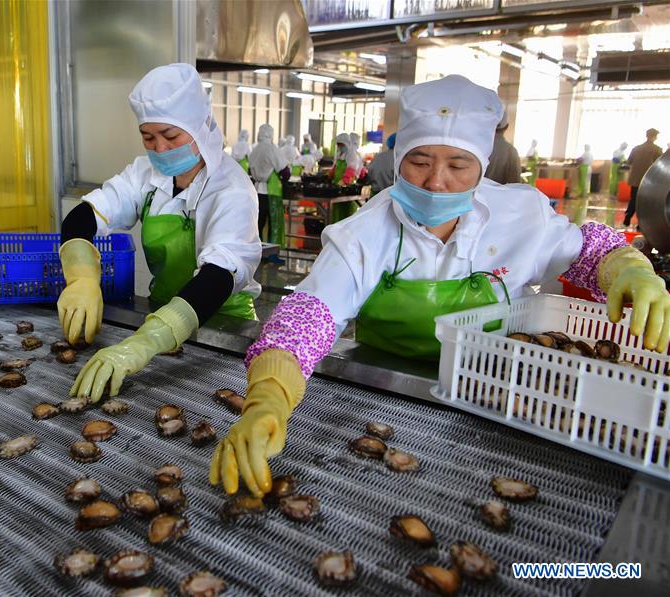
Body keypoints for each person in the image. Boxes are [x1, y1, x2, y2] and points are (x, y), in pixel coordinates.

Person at [209, 74, 670, 497]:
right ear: (399, 157)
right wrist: (269, 395)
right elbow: (310, 313)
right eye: (420, 161)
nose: (436, 181)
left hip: (494, 405)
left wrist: (628, 267)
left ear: (483, 166)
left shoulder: (519, 216)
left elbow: (588, 252)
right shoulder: (367, 231)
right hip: (382, 400)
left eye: (458, 165)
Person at [58, 63, 262, 402]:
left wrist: (143, 343)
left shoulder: (232, 189)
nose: (160, 149)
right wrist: (81, 276)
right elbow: (85, 214)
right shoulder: (145, 173)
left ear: (199, 127)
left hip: (222, 326)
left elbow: (218, 277)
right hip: (160, 315)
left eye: (171, 135)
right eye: (148, 137)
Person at [249, 123, 290, 260]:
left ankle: (258, 251)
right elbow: (285, 170)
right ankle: (272, 253)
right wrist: (284, 180)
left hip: (256, 192)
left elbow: (250, 170)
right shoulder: (273, 149)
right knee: (274, 223)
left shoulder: (254, 150)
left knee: (258, 223)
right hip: (271, 192)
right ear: (271, 134)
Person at [623, 128, 662, 227]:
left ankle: (628, 217)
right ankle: (641, 223)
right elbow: (660, 165)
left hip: (635, 180)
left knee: (633, 199)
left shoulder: (636, 148)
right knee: (645, 202)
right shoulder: (657, 149)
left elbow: (629, 162)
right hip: (648, 181)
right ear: (655, 137)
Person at [330, 132, 364, 222]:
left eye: (341, 145)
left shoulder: (352, 155)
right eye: (338, 145)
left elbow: (351, 171)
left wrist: (344, 181)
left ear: (347, 144)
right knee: (336, 214)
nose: (340, 147)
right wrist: (329, 175)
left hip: (348, 188)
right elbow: (335, 167)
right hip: (337, 187)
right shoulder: (339, 154)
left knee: (347, 216)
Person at [484, 114, 521, 184]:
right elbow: (515, 183)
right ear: (506, 127)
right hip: (499, 194)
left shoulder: (477, 147)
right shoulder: (511, 151)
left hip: (477, 194)